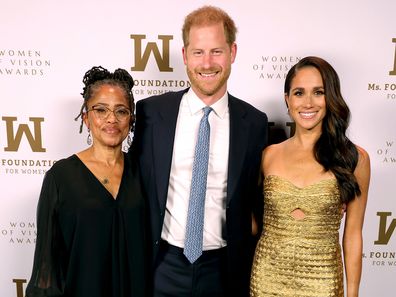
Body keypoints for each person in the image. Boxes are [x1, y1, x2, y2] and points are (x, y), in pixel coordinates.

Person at [130, 5, 268, 297]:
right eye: (198, 52)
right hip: (161, 266)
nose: (207, 63)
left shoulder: (254, 123)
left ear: (232, 52)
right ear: (184, 55)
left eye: (216, 51)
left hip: (224, 271)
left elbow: (263, 194)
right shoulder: (150, 114)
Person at [250, 56, 370, 297]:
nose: (308, 103)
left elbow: (353, 234)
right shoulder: (268, 155)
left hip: (323, 281)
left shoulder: (354, 158)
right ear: (287, 99)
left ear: (331, 97)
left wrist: (353, 292)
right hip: (267, 279)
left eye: (318, 92)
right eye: (298, 93)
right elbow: (252, 223)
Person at [26, 66, 147, 297]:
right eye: (101, 110)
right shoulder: (60, 177)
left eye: (121, 111)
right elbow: (46, 264)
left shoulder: (145, 172)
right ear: (86, 118)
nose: (111, 119)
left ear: (131, 120)